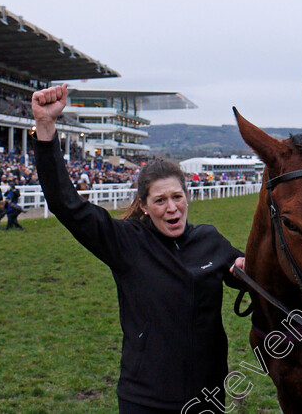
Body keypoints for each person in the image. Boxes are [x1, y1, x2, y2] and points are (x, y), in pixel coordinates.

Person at [31, 84, 246, 413]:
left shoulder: (210, 241)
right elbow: (67, 204)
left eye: (177, 197)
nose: (171, 208)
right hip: (146, 399)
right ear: (144, 206)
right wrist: (46, 129)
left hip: (208, 397)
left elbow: (254, 278)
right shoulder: (125, 242)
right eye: (160, 201)